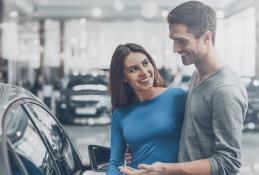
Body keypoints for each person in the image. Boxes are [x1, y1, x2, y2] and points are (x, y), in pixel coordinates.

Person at [120, 1, 248, 175]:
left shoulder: (225, 90)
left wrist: (167, 169)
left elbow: (229, 163)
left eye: (182, 41)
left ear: (206, 37)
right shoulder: (198, 74)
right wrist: (143, 141)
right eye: (173, 40)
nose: (175, 49)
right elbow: (192, 131)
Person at [107, 43, 187, 174]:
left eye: (145, 63)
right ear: (124, 78)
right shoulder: (120, 113)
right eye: (133, 69)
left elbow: (197, 143)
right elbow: (115, 163)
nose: (144, 72)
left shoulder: (177, 97)